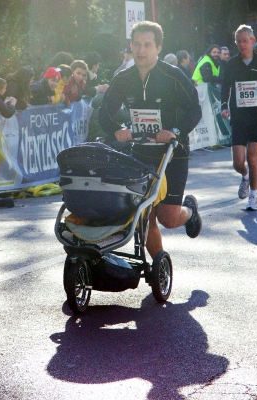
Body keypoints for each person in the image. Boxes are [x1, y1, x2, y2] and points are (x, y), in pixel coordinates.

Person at [98, 20, 202, 259]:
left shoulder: (173, 75)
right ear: (131, 46)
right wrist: (117, 130)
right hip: (141, 153)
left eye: (147, 45)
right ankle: (158, 268)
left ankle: (190, 211)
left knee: (169, 217)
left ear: (158, 48)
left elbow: (195, 110)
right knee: (143, 215)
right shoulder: (123, 78)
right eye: (136, 44)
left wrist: (174, 130)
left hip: (173, 153)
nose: (141, 50)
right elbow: (105, 113)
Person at [221, 24, 257, 211]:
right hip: (239, 116)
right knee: (238, 162)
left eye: (245, 41)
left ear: (252, 41)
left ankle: (253, 196)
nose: (242, 45)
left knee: (252, 157)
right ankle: (244, 176)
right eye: (238, 42)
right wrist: (224, 107)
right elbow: (224, 87)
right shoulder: (232, 64)